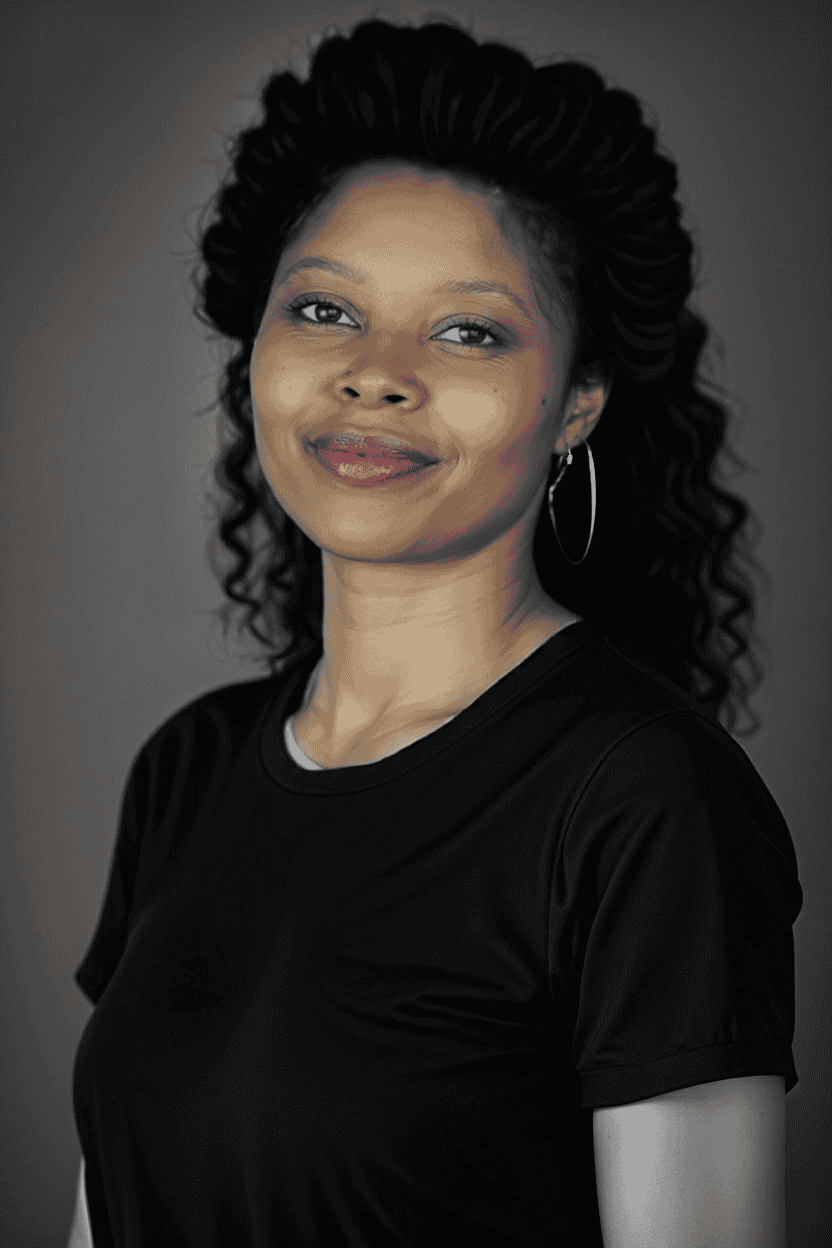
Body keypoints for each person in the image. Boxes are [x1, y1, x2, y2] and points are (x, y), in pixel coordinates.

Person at [68, 12, 802, 1246]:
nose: (374, 371)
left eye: (466, 330)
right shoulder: (186, 771)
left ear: (576, 400)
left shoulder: (641, 803)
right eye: (322, 312)